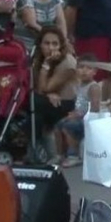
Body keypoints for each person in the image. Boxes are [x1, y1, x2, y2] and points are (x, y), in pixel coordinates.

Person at [32, 27, 78, 163]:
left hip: (65, 102)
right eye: (46, 43)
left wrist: (46, 64)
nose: (51, 48)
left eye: (54, 44)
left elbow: (43, 88)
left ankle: (47, 153)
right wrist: (48, 94)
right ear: (40, 45)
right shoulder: (36, 59)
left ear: (61, 46)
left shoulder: (68, 63)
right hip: (49, 99)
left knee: (37, 103)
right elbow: (36, 87)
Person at [53, 53, 101, 168]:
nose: (84, 71)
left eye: (89, 68)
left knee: (69, 126)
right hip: (78, 116)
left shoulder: (93, 87)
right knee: (58, 125)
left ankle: (74, 155)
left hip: (89, 120)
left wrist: (79, 115)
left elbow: (95, 108)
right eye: (81, 67)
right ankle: (60, 154)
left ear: (95, 71)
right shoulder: (79, 85)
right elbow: (78, 103)